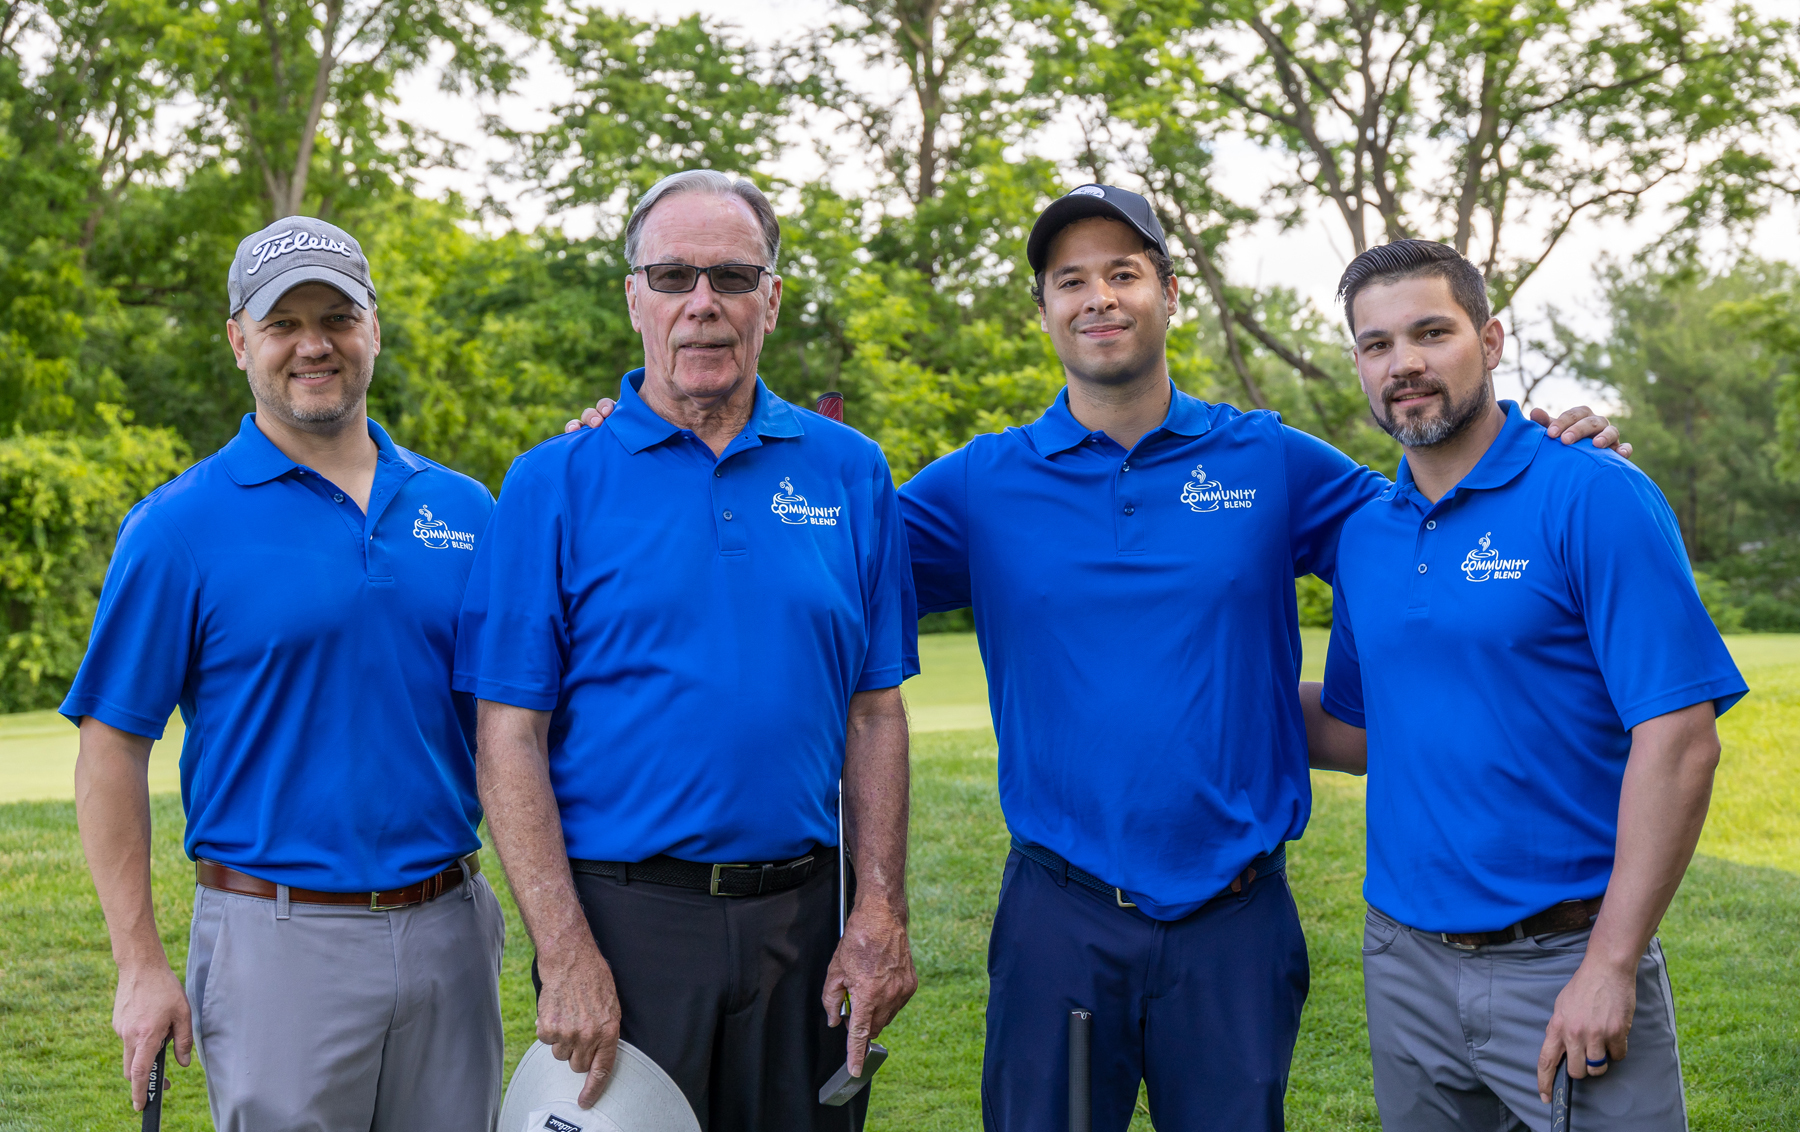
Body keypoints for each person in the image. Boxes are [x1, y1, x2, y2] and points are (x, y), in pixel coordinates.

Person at [571, 184, 1626, 1131]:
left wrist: (1538, 451)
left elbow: (1432, 509)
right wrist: (648, 436)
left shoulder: (1269, 460)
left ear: (1170, 293)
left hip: (1237, 917)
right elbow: (798, 556)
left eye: (1124, 272)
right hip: (1059, 916)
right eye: (1070, 280)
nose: (1099, 297)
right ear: (1042, 310)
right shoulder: (981, 484)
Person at [460, 170, 918, 1131]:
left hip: (806, 922)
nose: (702, 302)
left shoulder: (850, 471)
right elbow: (508, 735)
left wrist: (879, 911)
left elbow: (875, 712)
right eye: (673, 276)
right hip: (627, 930)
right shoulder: (551, 482)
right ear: (635, 298)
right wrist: (565, 951)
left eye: (732, 276)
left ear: (771, 300)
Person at [63, 217, 505, 1129]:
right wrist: (139, 965)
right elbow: (110, 750)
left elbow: (519, 730)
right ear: (239, 341)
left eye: (337, 317)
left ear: (373, 327)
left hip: (452, 928)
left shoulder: (467, 509)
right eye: (283, 324)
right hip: (276, 943)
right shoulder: (176, 527)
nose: (314, 345)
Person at [1303, 239, 1745, 1131]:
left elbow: (1681, 741)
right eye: (1377, 344)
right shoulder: (1368, 535)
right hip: (1403, 965)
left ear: (1492, 340)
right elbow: (1356, 731)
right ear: (1359, 365)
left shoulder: (1593, 491)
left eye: (1432, 332)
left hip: (1566, 959)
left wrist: (1610, 964)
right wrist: (1177, 688)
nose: (1404, 363)